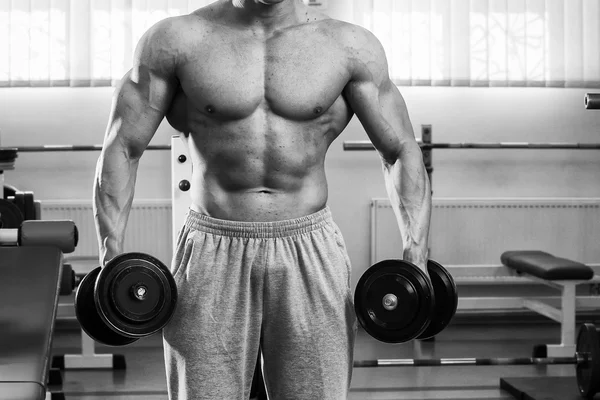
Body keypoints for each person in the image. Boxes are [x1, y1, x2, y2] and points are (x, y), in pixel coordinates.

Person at [92, 0, 432, 399]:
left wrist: (416, 254)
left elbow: (401, 150)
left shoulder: (348, 46)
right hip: (212, 248)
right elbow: (123, 147)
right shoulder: (176, 40)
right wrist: (110, 255)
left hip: (309, 249)